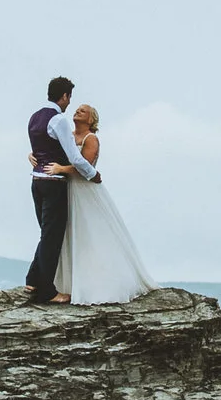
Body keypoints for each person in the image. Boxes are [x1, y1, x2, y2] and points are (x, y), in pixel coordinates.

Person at [51, 103, 154, 305]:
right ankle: (69, 284)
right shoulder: (67, 135)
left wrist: (61, 168)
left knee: (91, 235)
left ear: (91, 120)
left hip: (85, 192)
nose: (77, 111)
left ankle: (98, 285)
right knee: (70, 235)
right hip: (67, 190)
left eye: (83, 111)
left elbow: (85, 166)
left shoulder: (91, 139)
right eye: (77, 109)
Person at [24, 75, 99, 302]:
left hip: (36, 182)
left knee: (46, 233)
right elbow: (75, 157)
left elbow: (38, 150)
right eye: (69, 98)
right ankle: (47, 290)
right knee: (52, 236)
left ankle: (32, 281)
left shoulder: (34, 117)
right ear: (64, 96)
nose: (69, 104)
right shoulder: (58, 120)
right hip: (53, 183)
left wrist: (31, 157)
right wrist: (93, 174)